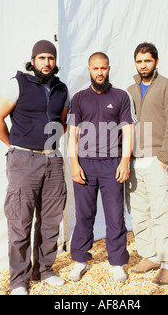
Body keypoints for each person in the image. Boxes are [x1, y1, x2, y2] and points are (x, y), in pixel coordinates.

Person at [0, 40, 70, 295]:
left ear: (55, 62)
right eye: (42, 57)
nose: (47, 62)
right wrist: (15, 144)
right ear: (33, 59)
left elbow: (62, 122)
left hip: (53, 161)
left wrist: (50, 145)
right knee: (20, 222)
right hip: (24, 161)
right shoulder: (18, 83)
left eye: (51, 58)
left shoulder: (61, 88)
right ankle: (19, 281)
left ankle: (44, 270)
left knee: (50, 221)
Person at [67, 52, 137, 284]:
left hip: (112, 164)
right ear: (89, 69)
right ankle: (80, 259)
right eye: (95, 68)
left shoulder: (120, 97)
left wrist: (125, 161)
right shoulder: (78, 98)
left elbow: (128, 131)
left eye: (104, 68)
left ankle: (117, 262)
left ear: (109, 68)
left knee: (115, 215)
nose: (100, 72)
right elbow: (73, 134)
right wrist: (74, 164)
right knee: (84, 215)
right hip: (85, 164)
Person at [126, 43, 168, 285]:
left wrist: (163, 157)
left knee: (160, 211)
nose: (143, 65)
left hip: (155, 160)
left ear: (156, 62)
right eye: (139, 61)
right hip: (133, 161)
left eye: (147, 61)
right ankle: (150, 255)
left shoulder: (167, 87)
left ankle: (167, 264)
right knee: (139, 213)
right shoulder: (129, 90)